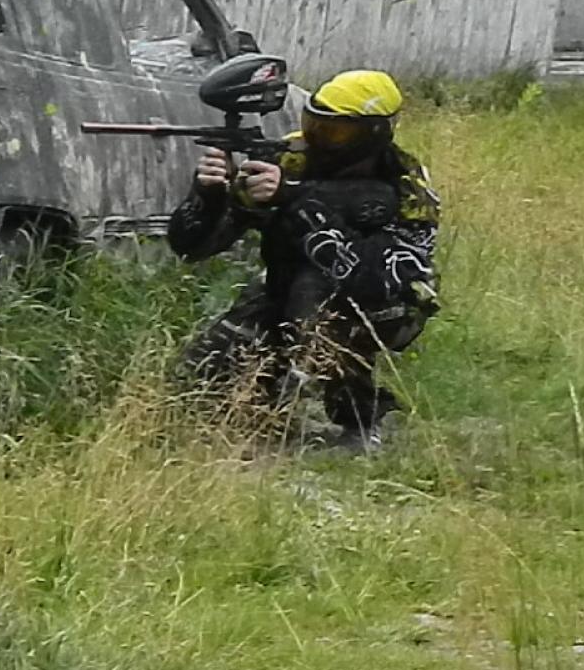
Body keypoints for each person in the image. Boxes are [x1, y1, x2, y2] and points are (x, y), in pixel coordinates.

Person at [166, 69, 441, 451]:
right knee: (194, 376)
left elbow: (374, 278)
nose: (318, 140)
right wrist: (208, 196)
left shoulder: (408, 188)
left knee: (321, 303)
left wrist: (294, 199)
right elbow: (191, 248)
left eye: (335, 133)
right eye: (314, 125)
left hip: (385, 304)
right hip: (283, 289)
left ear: (375, 134)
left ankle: (364, 418)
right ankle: (266, 399)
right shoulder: (288, 161)